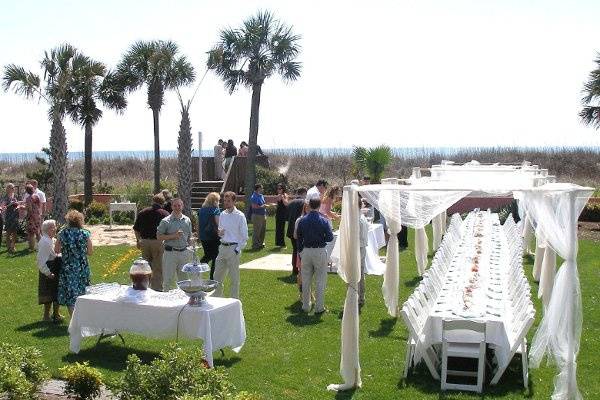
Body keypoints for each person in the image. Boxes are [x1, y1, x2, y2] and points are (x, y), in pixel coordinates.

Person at [296, 197, 334, 314]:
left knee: (306, 280)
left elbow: (299, 237)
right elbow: (330, 237)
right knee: (320, 280)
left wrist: (301, 251)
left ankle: (305, 305)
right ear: (318, 206)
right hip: (319, 250)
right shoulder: (324, 220)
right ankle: (319, 307)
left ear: (310, 205)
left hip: (306, 251)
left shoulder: (302, 220)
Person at [55, 210, 92, 315]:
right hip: (82, 267)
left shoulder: (63, 233)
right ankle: (82, 318)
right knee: (82, 291)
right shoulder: (85, 233)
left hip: (68, 266)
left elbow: (56, 250)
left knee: (70, 293)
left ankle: (73, 320)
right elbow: (90, 252)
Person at [213, 191, 248, 299]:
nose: (226, 203)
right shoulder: (223, 214)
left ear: (234, 201)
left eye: (228, 201)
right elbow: (221, 230)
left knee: (234, 278)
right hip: (222, 247)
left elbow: (244, 236)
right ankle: (218, 298)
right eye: (225, 201)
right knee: (217, 276)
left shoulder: (240, 216)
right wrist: (220, 233)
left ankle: (234, 301)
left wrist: (237, 249)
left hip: (233, 248)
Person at [133, 193, 170, 290]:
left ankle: (144, 286)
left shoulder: (143, 212)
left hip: (145, 242)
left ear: (153, 201)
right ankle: (156, 289)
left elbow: (136, 229)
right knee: (158, 267)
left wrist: (138, 240)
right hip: (158, 243)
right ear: (163, 202)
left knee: (144, 267)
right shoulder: (165, 214)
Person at [156, 198, 194, 291]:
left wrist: (192, 247)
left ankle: (183, 302)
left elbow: (190, 236)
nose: (177, 207)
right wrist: (173, 236)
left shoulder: (187, 220)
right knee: (168, 280)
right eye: (175, 205)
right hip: (170, 253)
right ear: (172, 206)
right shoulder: (166, 221)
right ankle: (166, 302)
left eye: (179, 205)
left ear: (182, 206)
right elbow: (159, 236)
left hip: (184, 253)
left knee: (184, 281)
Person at [37, 219, 63, 322]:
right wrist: (48, 273)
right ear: (47, 230)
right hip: (48, 269)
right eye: (53, 227)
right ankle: (46, 316)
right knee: (48, 294)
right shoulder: (44, 242)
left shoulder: (51, 239)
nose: (55, 229)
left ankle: (56, 314)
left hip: (55, 266)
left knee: (56, 292)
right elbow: (41, 261)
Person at [198, 192, 221, 279]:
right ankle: (213, 277)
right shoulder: (215, 210)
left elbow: (198, 224)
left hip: (204, 236)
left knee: (207, 255)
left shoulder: (201, 210)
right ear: (215, 201)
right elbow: (218, 224)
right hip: (214, 237)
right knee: (215, 257)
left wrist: (200, 236)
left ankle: (198, 268)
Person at [286, 187, 307, 275]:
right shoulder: (303, 203)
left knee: (295, 249)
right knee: (301, 249)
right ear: (304, 193)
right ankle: (301, 268)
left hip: (291, 229)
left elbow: (286, 217)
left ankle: (294, 268)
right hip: (300, 229)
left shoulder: (290, 203)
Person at [0, 183, 19, 253]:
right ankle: (8, 246)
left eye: (14, 187)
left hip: (15, 215)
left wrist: (17, 205)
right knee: (8, 232)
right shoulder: (5, 197)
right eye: (12, 188)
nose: (14, 189)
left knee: (15, 232)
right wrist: (10, 204)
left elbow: (16, 204)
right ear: (8, 189)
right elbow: (3, 207)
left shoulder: (15, 196)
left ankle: (13, 246)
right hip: (9, 216)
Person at [358, 201, 370, 308]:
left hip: (358, 248)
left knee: (358, 273)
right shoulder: (361, 217)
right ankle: (361, 297)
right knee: (360, 273)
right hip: (361, 247)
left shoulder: (359, 219)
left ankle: (359, 297)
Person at [24, 184, 42, 250]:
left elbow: (30, 209)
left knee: (31, 233)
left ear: (27, 191)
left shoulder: (28, 199)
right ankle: (41, 247)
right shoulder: (37, 197)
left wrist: (24, 207)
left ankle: (31, 247)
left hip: (31, 217)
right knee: (38, 232)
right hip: (37, 216)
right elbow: (39, 206)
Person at [250, 183, 267, 250]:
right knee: (257, 231)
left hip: (263, 215)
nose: (262, 189)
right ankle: (255, 245)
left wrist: (265, 206)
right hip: (257, 216)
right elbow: (253, 206)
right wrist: (262, 206)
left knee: (263, 230)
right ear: (258, 188)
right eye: (261, 188)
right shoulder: (254, 196)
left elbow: (263, 203)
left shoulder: (261, 196)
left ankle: (261, 243)